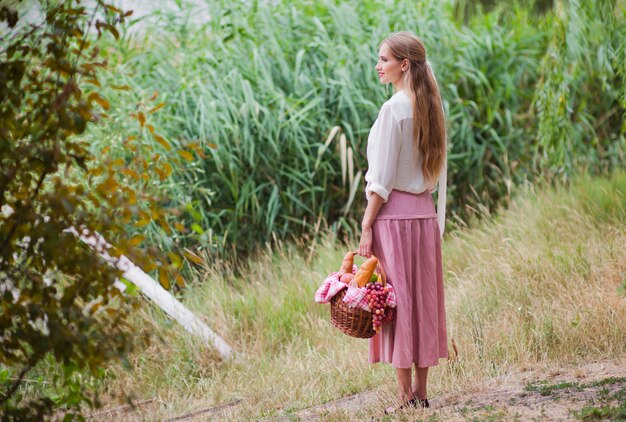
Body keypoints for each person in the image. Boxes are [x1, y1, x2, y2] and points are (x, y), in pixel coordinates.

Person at [358, 31, 448, 414]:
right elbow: (438, 174)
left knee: (395, 304)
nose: (378, 66)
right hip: (424, 217)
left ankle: (403, 396)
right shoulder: (431, 107)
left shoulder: (393, 109)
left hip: (393, 220)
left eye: (384, 59)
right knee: (423, 302)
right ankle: (422, 392)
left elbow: (381, 179)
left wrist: (366, 224)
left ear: (404, 65)